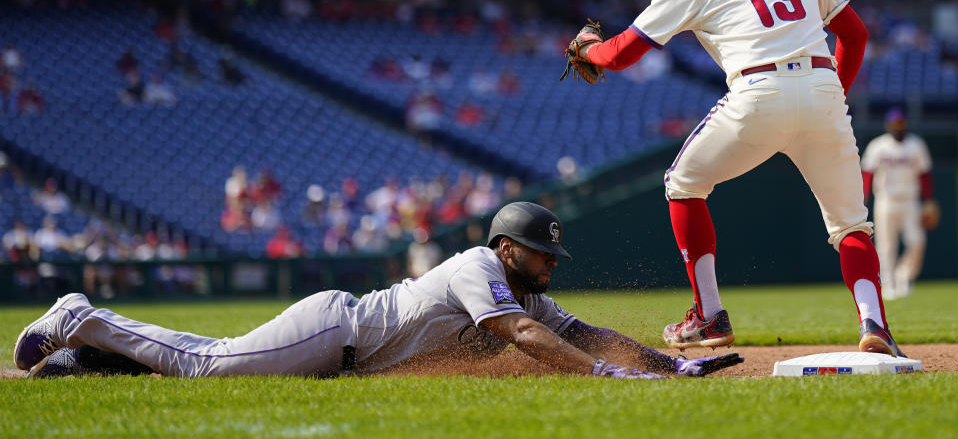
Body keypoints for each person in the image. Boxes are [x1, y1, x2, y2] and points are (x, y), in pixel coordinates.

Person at [568, 0, 903, 356]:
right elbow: (854, 33)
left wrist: (587, 49)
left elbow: (621, 54)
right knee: (851, 225)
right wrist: (830, 100)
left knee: (683, 184)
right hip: (822, 86)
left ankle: (708, 315)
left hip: (759, 90)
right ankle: (874, 325)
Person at [14, 202, 741, 380]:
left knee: (211, 356)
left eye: (554, 254)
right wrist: (608, 379)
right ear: (507, 248)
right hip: (340, 331)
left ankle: (94, 359)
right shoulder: (476, 269)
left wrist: (669, 365)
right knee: (209, 367)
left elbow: (583, 336)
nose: (552, 263)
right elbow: (528, 341)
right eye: (542, 253)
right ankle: (82, 316)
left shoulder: (526, 295)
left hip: (343, 353)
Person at [861, 108, 936, 300]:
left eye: (901, 124)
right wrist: (863, 200)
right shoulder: (878, 146)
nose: (898, 128)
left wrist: (928, 200)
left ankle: (904, 276)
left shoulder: (916, 145)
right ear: (888, 126)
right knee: (886, 246)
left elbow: (924, 174)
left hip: (910, 201)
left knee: (917, 242)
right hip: (885, 200)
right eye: (895, 124)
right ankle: (888, 285)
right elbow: (868, 174)